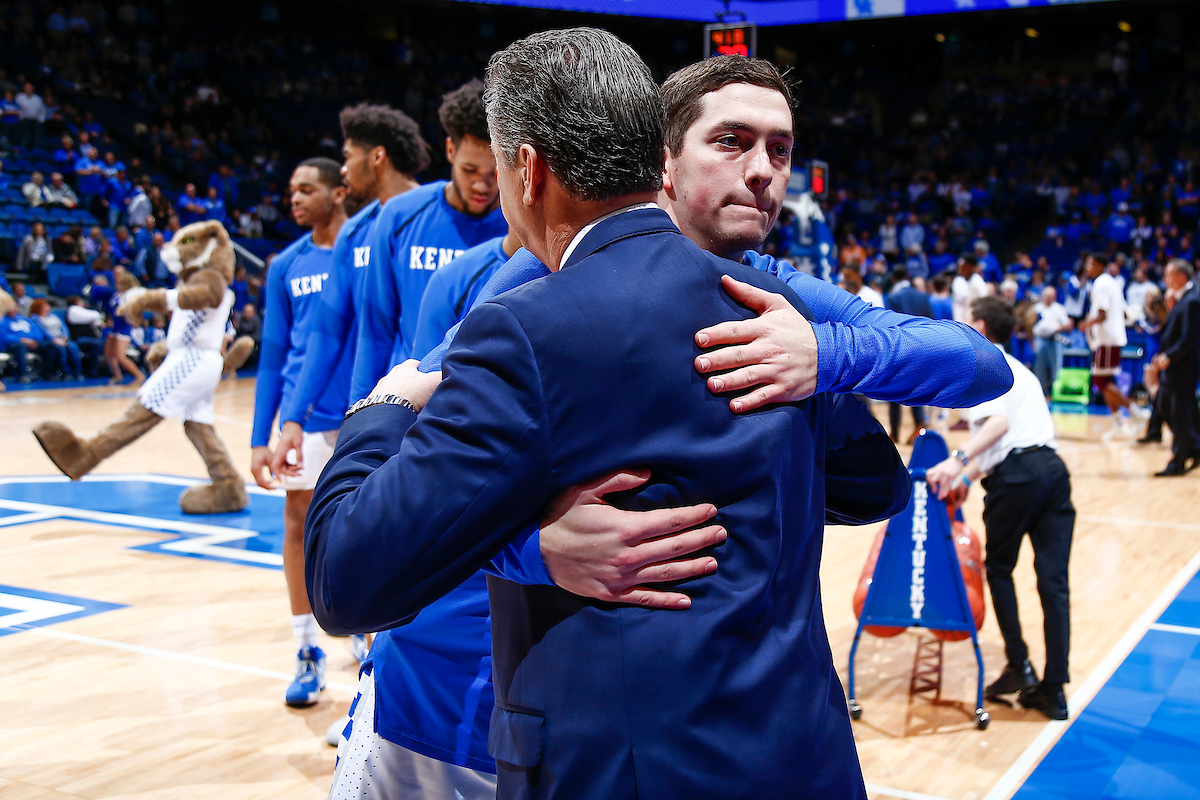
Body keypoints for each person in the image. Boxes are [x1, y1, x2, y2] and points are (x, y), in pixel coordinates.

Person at [307, 33, 1010, 800]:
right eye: (733, 141)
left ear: (529, 170)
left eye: (781, 149)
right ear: (661, 162)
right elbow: (442, 491)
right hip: (465, 690)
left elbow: (951, 391)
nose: (764, 171)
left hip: (630, 744)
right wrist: (530, 548)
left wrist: (825, 355)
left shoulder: (781, 305)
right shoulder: (518, 289)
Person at [928, 296, 1075, 721]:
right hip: (1052, 472)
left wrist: (955, 462)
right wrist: (969, 478)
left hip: (1018, 476)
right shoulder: (1021, 368)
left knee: (998, 570)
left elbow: (999, 427)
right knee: (1054, 584)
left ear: (978, 325)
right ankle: (1054, 689)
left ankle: (1019, 664)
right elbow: (1013, 440)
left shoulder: (983, 364)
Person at [249, 158, 349, 709]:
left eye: (307, 188)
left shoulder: (364, 251)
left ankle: (365, 634)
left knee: (366, 526)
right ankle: (307, 649)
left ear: (339, 192)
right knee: (298, 524)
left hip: (362, 408)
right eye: (292, 190)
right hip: (303, 418)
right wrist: (259, 435)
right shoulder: (285, 263)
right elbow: (272, 356)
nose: (295, 197)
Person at [350, 80, 507, 401]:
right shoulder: (399, 215)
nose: (482, 184)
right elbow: (375, 331)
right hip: (409, 403)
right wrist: (359, 414)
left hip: (486, 405)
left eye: (494, 172)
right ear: (450, 150)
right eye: (470, 169)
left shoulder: (518, 227)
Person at [1078, 253, 1147, 437]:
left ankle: (1136, 412)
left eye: (1090, 263)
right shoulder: (1113, 283)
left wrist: (1085, 324)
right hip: (1113, 338)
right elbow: (1125, 313)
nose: (1087, 267)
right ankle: (1117, 422)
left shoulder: (1100, 283)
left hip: (1107, 339)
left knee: (1100, 381)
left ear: (1100, 265)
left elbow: (1102, 314)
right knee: (1106, 382)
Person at [1148, 259, 1200, 476]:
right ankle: (1195, 448)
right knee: (1170, 409)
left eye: (1168, 275)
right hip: (1175, 367)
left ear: (1181, 276)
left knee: (1178, 414)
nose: (1165, 279)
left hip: (1182, 368)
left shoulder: (1191, 301)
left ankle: (1178, 462)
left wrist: (1169, 356)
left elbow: (1190, 337)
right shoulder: (1181, 300)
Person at [885, 264, 933, 442]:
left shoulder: (892, 297)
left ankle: (895, 432)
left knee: (892, 391)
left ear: (894, 279)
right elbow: (932, 321)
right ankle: (919, 425)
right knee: (918, 389)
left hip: (899, 349)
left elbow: (889, 325)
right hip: (922, 348)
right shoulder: (922, 296)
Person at [1032, 285, 1072, 398]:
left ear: (1054, 296)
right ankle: (1041, 393)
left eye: (1051, 295)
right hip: (1039, 339)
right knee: (1039, 367)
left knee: (1056, 367)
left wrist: (1060, 327)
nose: (1048, 298)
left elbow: (1068, 324)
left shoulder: (1059, 308)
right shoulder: (1037, 308)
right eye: (1046, 295)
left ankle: (1056, 393)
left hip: (1054, 339)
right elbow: (1029, 324)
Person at [31, 298, 83, 379]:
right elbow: (44, 331)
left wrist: (65, 336)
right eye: (45, 305)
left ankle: (77, 372)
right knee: (59, 349)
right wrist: (54, 339)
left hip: (61, 338)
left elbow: (63, 327)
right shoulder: (35, 318)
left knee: (73, 347)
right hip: (48, 341)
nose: (48, 307)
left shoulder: (54, 315)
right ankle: (65, 372)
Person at [952, 253, 988, 323]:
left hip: (973, 323)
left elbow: (984, 304)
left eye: (963, 266)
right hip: (958, 321)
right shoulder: (958, 281)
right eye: (959, 266)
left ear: (971, 267)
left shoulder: (979, 283)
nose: (960, 268)